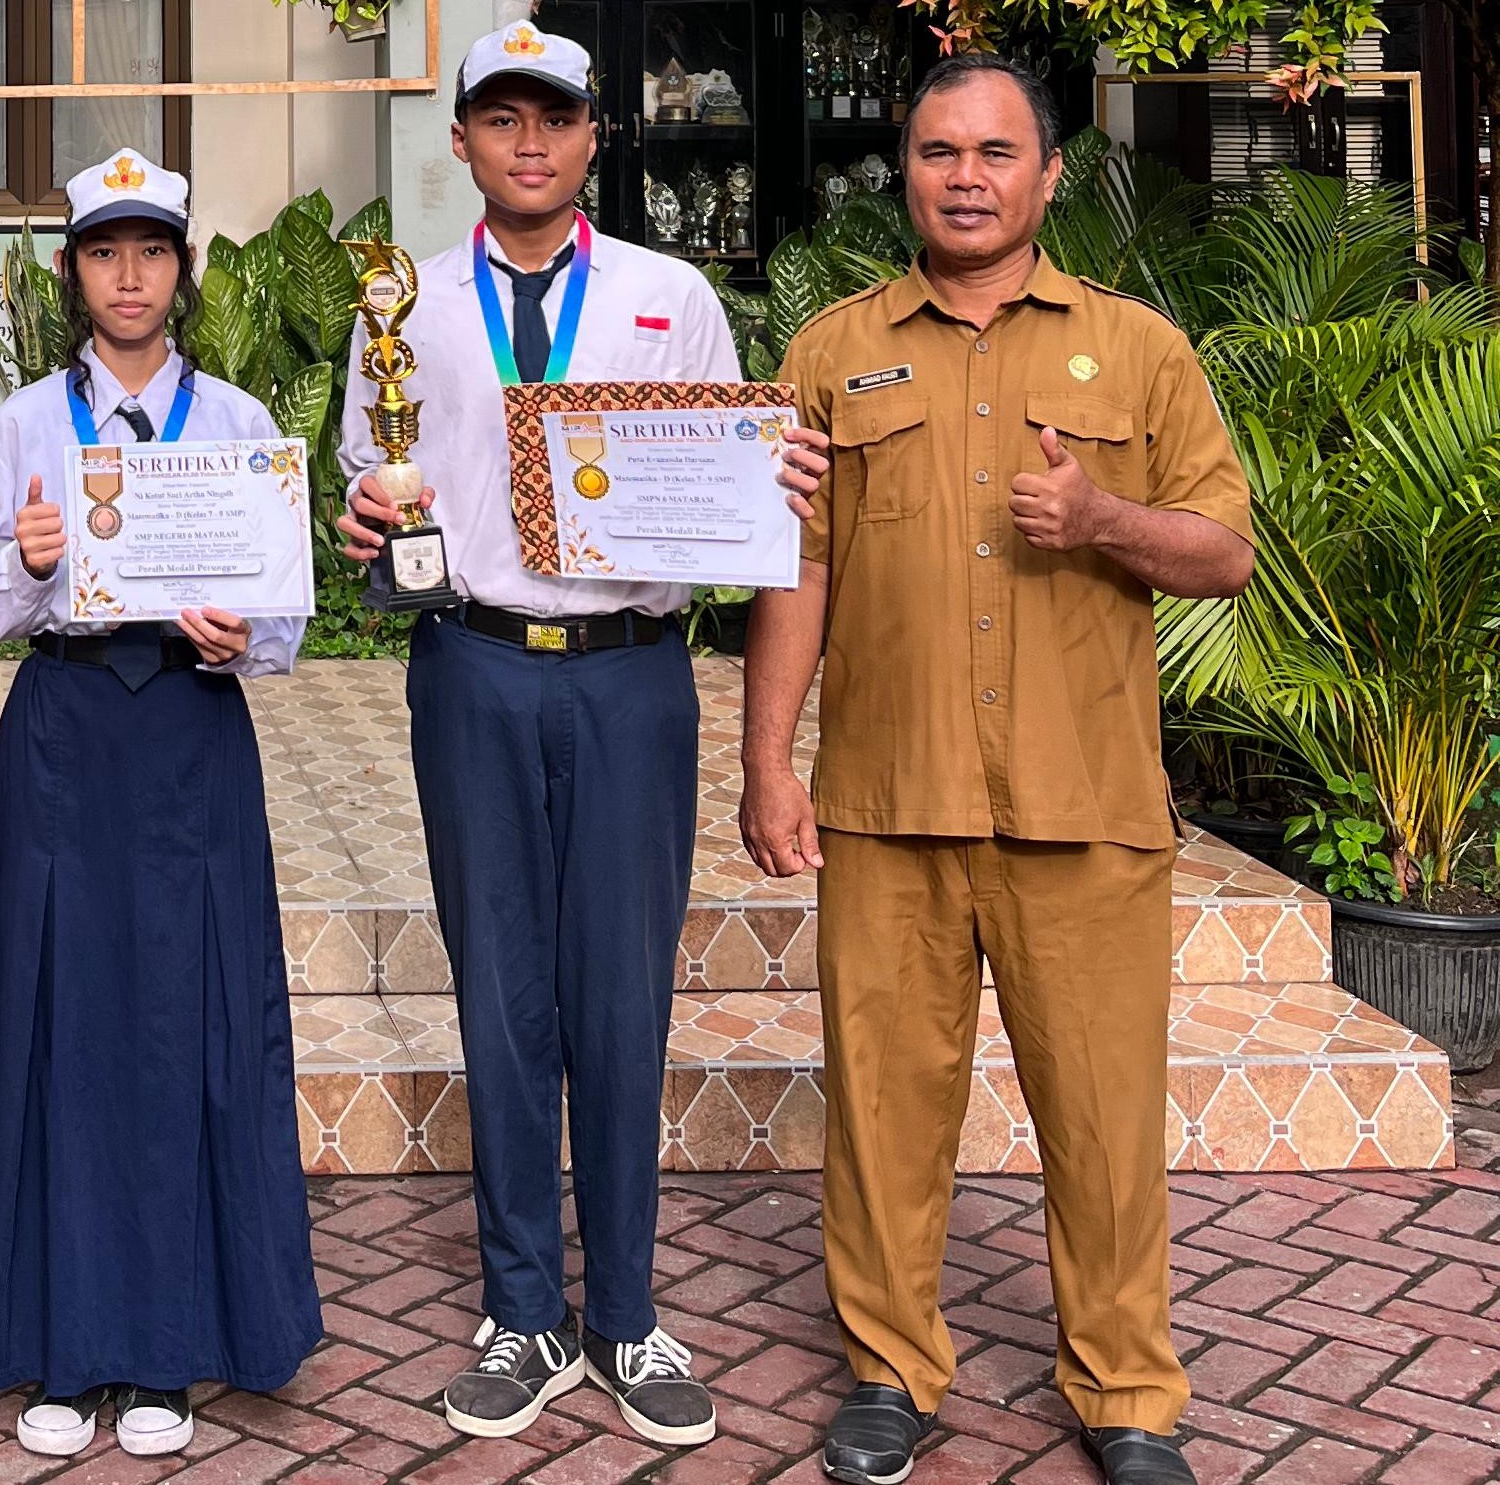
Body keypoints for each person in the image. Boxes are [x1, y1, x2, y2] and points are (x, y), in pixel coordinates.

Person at [744, 55, 1253, 1485]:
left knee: (1101, 1117)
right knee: (885, 1110)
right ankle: (890, 1372)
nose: (965, 176)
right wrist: (767, 764)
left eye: (994, 152)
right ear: (902, 171)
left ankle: (1130, 1395)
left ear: (1047, 177)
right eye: (937, 151)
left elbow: (1224, 551)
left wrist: (1101, 516)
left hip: (1080, 804)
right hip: (889, 802)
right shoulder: (834, 353)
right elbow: (801, 561)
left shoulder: (1138, 351)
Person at [329, 22, 805, 1450]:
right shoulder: (397, 309)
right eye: (501, 118)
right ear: (464, 142)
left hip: (630, 675)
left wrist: (755, 493)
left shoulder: (672, 297)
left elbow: (736, 494)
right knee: (502, 989)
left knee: (619, 994)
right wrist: (369, 522)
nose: (528, 141)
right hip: (473, 665)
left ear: (597, 137)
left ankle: (630, 1316)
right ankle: (522, 1305)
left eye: (555, 117)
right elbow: (375, 485)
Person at [0, 147, 320, 1459]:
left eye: (151, 251)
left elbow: (282, 620)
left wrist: (239, 639)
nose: (129, 275)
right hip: (60, 737)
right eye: (105, 252)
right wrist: (26, 559)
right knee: (60, 1019)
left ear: (180, 268)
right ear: (74, 272)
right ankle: (62, 1341)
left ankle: (168, 1349)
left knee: (187, 1023)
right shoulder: (20, 427)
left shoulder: (230, 423)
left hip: (186, 731)